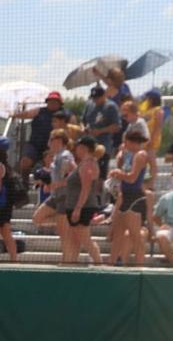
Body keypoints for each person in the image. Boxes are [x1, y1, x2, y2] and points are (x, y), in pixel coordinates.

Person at [107, 128, 150, 267]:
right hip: (124, 196)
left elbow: (132, 178)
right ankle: (111, 264)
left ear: (130, 141)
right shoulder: (128, 155)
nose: (123, 143)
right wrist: (120, 159)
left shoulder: (140, 155)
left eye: (125, 141)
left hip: (135, 197)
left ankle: (140, 267)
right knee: (117, 234)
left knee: (135, 235)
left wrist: (119, 173)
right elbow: (123, 168)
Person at [33, 130, 77, 262]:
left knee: (64, 234)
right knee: (37, 218)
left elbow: (74, 173)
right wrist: (51, 184)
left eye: (52, 140)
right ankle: (63, 222)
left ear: (59, 141)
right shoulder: (57, 156)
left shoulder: (65, 155)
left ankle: (68, 262)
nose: (50, 142)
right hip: (54, 196)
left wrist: (59, 184)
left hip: (64, 196)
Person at [64, 136, 106, 265]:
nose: (76, 149)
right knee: (75, 237)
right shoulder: (85, 163)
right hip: (76, 205)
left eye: (78, 147)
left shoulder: (88, 164)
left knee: (84, 238)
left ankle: (99, 263)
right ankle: (71, 263)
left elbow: (86, 189)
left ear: (84, 148)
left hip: (83, 206)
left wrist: (78, 209)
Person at [11, 90, 64, 176]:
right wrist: (15, 115)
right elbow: (27, 114)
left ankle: (48, 184)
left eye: (55, 101)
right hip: (34, 144)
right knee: (25, 161)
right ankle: (24, 184)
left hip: (52, 145)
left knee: (50, 163)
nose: (52, 103)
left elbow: (73, 122)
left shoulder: (64, 114)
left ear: (60, 103)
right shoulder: (40, 111)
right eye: (50, 101)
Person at [83, 86, 121, 175]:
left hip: (103, 145)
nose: (95, 100)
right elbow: (83, 121)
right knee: (87, 172)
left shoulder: (111, 107)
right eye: (93, 98)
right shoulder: (89, 104)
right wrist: (84, 128)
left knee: (101, 173)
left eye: (97, 97)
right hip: (89, 145)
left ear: (104, 95)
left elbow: (117, 126)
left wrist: (100, 131)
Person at [152, 185, 173, 264]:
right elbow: (155, 217)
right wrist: (162, 224)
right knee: (161, 236)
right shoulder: (166, 198)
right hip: (170, 227)